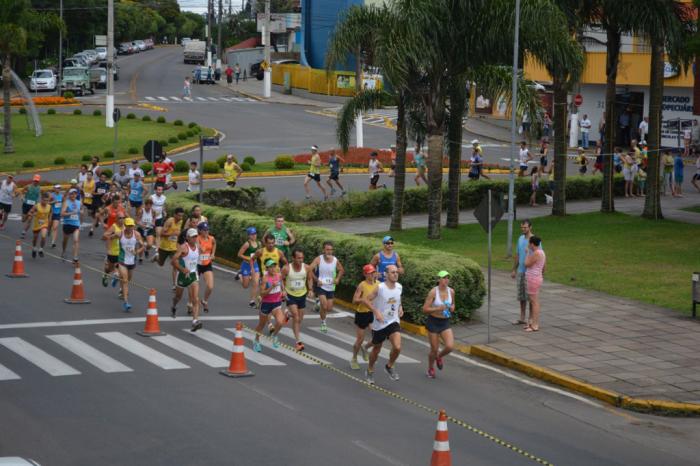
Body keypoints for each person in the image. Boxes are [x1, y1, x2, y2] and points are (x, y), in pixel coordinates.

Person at [364, 264, 403, 384]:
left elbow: (398, 299)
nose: (395, 274)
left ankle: (389, 366)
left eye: (396, 272)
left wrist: (401, 307)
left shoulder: (399, 287)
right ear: (386, 274)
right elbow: (366, 300)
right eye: (392, 272)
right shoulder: (380, 288)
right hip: (380, 323)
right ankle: (370, 370)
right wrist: (376, 311)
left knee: (397, 347)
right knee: (377, 349)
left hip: (393, 320)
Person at [422, 270, 455, 379]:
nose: (446, 280)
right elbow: (425, 309)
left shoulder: (451, 291)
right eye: (444, 278)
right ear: (439, 280)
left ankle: (439, 357)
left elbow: (453, 304)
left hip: (445, 322)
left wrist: (452, 308)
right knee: (434, 349)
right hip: (433, 322)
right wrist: (437, 308)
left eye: (447, 278)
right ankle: (430, 368)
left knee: (450, 346)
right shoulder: (433, 292)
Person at [281, 248, 313, 351]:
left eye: (302, 258)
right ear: (293, 258)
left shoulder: (307, 268)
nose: (301, 260)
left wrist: (311, 289)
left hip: (302, 295)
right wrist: (283, 290)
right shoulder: (286, 268)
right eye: (298, 258)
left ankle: (287, 314)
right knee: (296, 316)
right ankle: (298, 342)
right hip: (290, 295)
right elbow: (280, 279)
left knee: (300, 319)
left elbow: (309, 278)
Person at [309, 241, 344, 333]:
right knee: (324, 306)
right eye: (327, 249)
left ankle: (318, 303)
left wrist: (337, 279)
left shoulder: (335, 260)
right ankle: (323, 322)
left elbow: (341, 270)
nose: (329, 251)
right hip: (321, 286)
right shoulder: (319, 259)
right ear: (323, 250)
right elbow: (309, 269)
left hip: (331, 287)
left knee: (329, 308)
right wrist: (317, 280)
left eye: (331, 250)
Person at [171, 228, 202, 332]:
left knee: (195, 299)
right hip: (182, 276)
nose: (195, 238)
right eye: (192, 236)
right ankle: (174, 306)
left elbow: (199, 259)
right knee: (178, 297)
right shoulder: (183, 248)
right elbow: (173, 261)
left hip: (193, 275)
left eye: (196, 236)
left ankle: (195, 321)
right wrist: (182, 269)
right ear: (187, 238)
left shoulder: (198, 247)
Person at [253, 258, 286, 352]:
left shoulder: (279, 275)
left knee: (280, 322)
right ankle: (256, 341)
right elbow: (262, 294)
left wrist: (283, 291)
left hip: (276, 303)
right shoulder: (265, 278)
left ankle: (274, 336)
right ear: (267, 268)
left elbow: (282, 284)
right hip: (266, 304)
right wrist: (271, 287)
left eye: (274, 266)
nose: (273, 269)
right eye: (270, 267)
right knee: (261, 325)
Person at [511, 219, 540, 326]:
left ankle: (531, 318)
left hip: (531, 273)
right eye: (522, 227)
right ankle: (522, 317)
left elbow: (539, 255)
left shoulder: (535, 240)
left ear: (530, 227)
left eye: (525, 227)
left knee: (531, 297)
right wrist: (514, 269)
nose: (523, 229)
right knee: (521, 296)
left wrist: (539, 272)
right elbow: (518, 255)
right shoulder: (520, 239)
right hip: (521, 271)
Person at [350, 264, 378, 370]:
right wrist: (363, 300)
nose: (372, 275)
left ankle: (365, 348)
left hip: (373, 313)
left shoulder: (379, 285)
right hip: (362, 314)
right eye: (369, 273)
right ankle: (354, 358)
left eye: (373, 272)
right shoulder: (362, 285)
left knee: (376, 337)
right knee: (360, 339)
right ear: (365, 274)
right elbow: (354, 300)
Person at [117, 217, 144, 312]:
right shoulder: (120, 234)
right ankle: (126, 302)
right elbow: (107, 237)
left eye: (132, 225)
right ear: (125, 226)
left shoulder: (136, 234)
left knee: (128, 280)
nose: (130, 227)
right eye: (128, 225)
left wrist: (137, 252)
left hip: (132, 261)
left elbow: (142, 245)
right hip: (122, 260)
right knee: (125, 280)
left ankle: (118, 282)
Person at [158, 207, 185, 289]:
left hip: (173, 247)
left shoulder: (180, 221)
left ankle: (175, 284)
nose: (180, 218)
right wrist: (172, 234)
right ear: (175, 215)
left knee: (175, 264)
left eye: (182, 216)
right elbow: (161, 234)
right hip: (164, 247)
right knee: (160, 264)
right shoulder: (170, 221)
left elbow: (178, 233)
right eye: (179, 216)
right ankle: (156, 258)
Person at [524, 236, 546, 332]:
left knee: (534, 302)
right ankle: (532, 323)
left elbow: (527, 263)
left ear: (532, 244)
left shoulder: (536, 253)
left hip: (533, 278)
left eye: (529, 243)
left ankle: (535, 325)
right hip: (535, 278)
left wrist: (528, 252)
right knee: (533, 301)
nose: (528, 245)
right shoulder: (541, 252)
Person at [237, 227, 261, 308]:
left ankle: (252, 301)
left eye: (255, 234)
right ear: (249, 236)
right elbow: (239, 254)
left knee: (256, 282)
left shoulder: (259, 243)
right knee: (245, 286)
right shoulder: (247, 244)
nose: (254, 236)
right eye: (252, 234)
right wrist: (249, 258)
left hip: (255, 265)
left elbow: (259, 254)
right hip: (246, 265)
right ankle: (240, 275)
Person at [196, 222, 216, 313]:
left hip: (207, 264)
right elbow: (197, 247)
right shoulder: (197, 238)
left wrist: (212, 254)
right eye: (204, 230)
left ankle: (204, 301)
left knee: (210, 286)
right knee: (194, 286)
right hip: (197, 265)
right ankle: (191, 303)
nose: (207, 231)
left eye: (207, 230)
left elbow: (214, 244)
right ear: (200, 231)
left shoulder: (211, 238)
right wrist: (200, 248)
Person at [102, 212, 124, 288]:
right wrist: (113, 235)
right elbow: (105, 236)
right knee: (109, 269)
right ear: (116, 219)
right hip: (113, 252)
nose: (122, 220)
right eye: (120, 218)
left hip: (121, 253)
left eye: (123, 218)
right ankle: (105, 274)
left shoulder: (125, 227)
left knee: (121, 269)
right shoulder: (114, 227)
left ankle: (116, 278)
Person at [60, 188, 82, 262]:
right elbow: (62, 214)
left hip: (76, 224)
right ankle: (63, 251)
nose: (73, 195)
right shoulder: (66, 203)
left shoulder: (79, 202)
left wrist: (81, 213)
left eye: (75, 193)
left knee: (76, 240)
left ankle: (75, 257)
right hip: (67, 223)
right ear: (69, 195)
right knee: (65, 240)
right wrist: (71, 213)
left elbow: (81, 212)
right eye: (72, 194)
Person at [29, 192, 51, 259]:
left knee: (43, 236)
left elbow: (50, 215)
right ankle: (34, 248)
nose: (46, 202)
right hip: (37, 224)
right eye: (44, 200)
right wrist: (33, 214)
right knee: (35, 237)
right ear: (41, 199)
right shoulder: (36, 206)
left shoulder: (49, 206)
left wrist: (49, 225)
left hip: (45, 223)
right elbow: (30, 212)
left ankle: (41, 249)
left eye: (47, 200)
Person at [20, 174, 42, 239]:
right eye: (35, 180)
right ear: (33, 180)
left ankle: (24, 232)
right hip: (26, 204)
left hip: (33, 206)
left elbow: (39, 197)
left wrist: (38, 204)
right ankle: (27, 215)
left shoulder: (39, 188)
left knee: (30, 219)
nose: (36, 182)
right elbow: (22, 191)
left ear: (39, 181)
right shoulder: (28, 186)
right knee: (23, 220)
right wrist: (22, 197)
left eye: (37, 181)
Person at [150, 184, 167, 252]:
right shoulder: (151, 197)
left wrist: (164, 212)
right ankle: (148, 244)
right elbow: (148, 207)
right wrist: (153, 213)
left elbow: (163, 206)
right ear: (155, 190)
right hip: (151, 218)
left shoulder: (164, 197)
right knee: (150, 233)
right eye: (158, 190)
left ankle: (157, 249)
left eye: (161, 190)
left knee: (158, 233)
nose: (160, 191)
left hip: (159, 218)